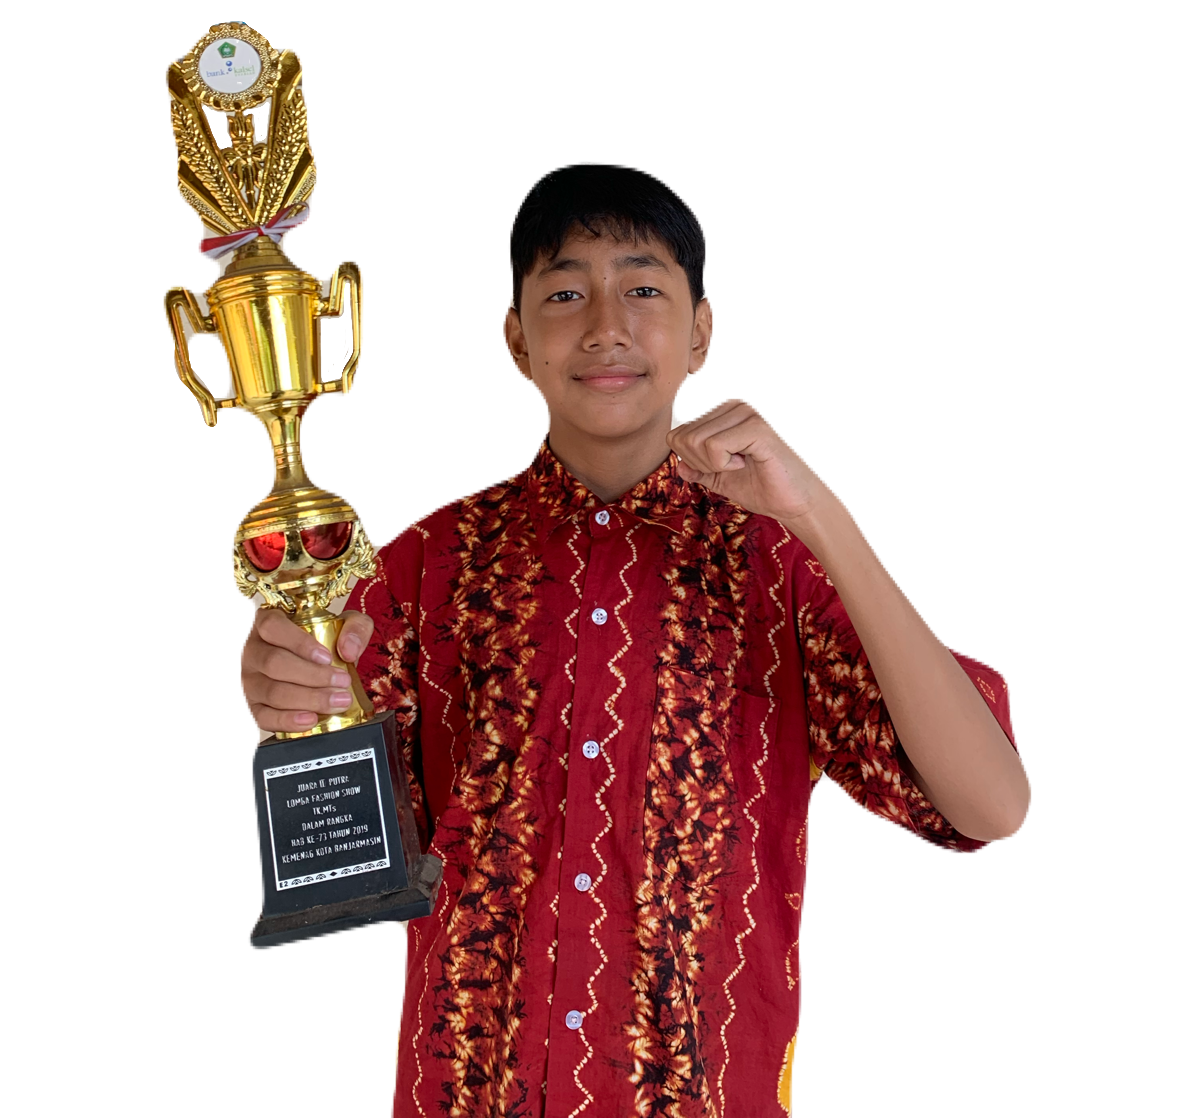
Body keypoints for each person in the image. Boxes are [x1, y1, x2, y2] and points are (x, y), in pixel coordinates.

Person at [239, 162, 1030, 1118]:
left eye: (644, 288)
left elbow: (992, 806)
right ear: (516, 340)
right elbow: (351, 862)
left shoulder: (775, 565)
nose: (605, 325)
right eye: (564, 292)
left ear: (702, 331)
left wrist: (817, 512)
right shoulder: (424, 564)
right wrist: (295, 702)